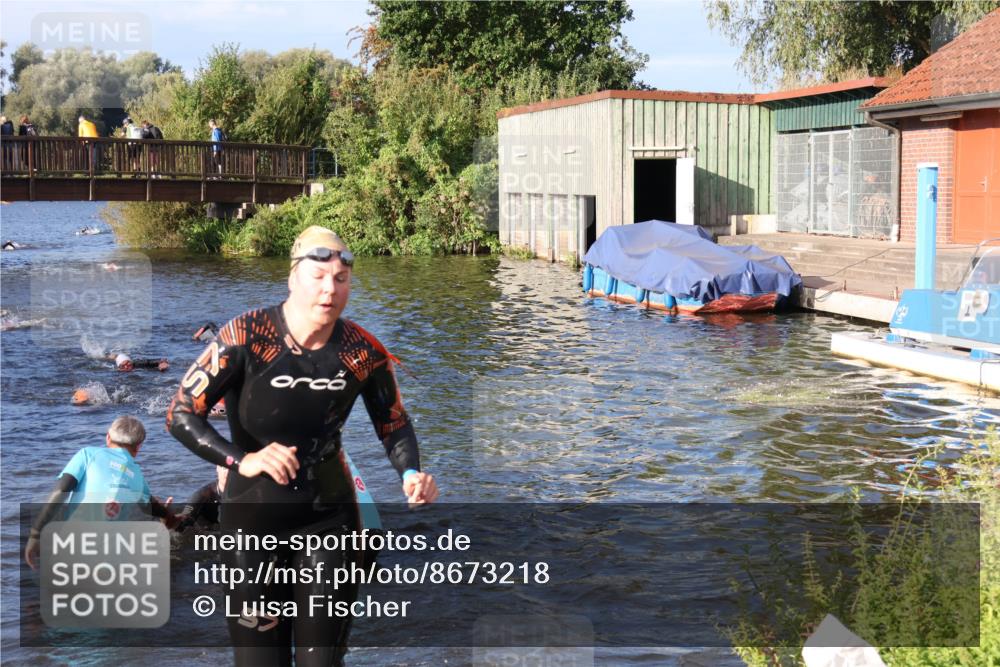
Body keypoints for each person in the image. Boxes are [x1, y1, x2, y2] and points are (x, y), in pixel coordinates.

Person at [166, 225, 438, 667]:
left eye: (341, 280)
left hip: (329, 521)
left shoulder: (361, 351)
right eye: (318, 277)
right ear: (294, 278)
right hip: (251, 523)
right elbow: (179, 413)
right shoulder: (245, 336)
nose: (330, 290)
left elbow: (393, 422)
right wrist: (244, 459)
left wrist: (411, 473)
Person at [24, 416, 178, 569]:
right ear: (138, 447)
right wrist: (169, 517)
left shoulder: (88, 455)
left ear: (108, 437)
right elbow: (151, 506)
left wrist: (36, 534)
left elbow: (60, 491)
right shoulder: (137, 475)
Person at [175, 466, 228, 532]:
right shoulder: (201, 496)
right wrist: (173, 522)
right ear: (217, 468)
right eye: (225, 468)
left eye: (232, 470)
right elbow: (186, 515)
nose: (228, 472)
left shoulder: (243, 494)